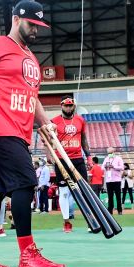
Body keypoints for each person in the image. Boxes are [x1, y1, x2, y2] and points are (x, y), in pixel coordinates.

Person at [0, 1, 66, 267]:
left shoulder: (30, 58)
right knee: (25, 183)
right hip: (0, 129)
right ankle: (27, 255)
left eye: (39, 27)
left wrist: (46, 124)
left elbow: (33, 97)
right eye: (31, 25)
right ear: (17, 19)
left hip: (20, 133)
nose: (35, 32)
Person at [50, 95, 92, 232]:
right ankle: (67, 222)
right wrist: (49, 154)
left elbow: (84, 139)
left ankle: (91, 221)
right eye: (66, 105)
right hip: (62, 160)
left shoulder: (80, 120)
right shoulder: (54, 121)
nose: (68, 107)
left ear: (74, 106)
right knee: (63, 193)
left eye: (70, 105)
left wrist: (89, 157)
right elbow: (48, 141)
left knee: (85, 191)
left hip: (78, 159)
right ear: (61, 105)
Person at [102, 147, 124, 215]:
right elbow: (102, 167)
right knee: (110, 197)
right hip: (109, 180)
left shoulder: (118, 158)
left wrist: (113, 166)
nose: (109, 154)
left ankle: (119, 210)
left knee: (118, 196)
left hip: (117, 180)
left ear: (114, 152)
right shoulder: (106, 159)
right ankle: (110, 211)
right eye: (108, 153)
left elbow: (122, 167)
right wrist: (105, 166)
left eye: (110, 153)